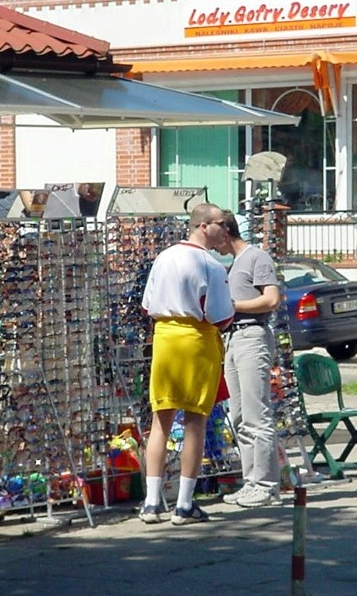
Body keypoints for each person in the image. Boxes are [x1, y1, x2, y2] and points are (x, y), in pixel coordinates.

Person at [138, 202, 234, 525]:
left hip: (165, 339)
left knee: (160, 420)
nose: (226, 230)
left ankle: (151, 503)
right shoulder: (211, 265)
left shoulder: (163, 257)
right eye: (221, 223)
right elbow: (221, 317)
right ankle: (183, 503)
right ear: (203, 226)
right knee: (195, 423)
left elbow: (148, 304)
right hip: (196, 340)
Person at [215, 210, 282, 508]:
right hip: (233, 337)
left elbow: (271, 299)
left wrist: (233, 305)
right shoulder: (234, 264)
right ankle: (251, 480)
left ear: (226, 232)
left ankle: (266, 485)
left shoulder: (257, 257)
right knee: (240, 416)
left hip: (252, 335)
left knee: (258, 414)